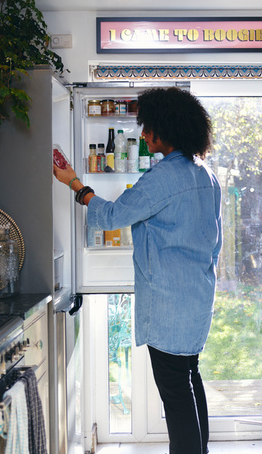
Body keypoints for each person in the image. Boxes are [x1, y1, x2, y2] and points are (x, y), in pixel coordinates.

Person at [53, 87, 222, 454]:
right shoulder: (205, 175)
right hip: (196, 299)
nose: (143, 135)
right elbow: (215, 240)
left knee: (177, 395)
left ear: (167, 129)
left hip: (169, 306)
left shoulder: (164, 177)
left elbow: (113, 217)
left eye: (148, 128)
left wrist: (75, 185)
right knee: (189, 379)